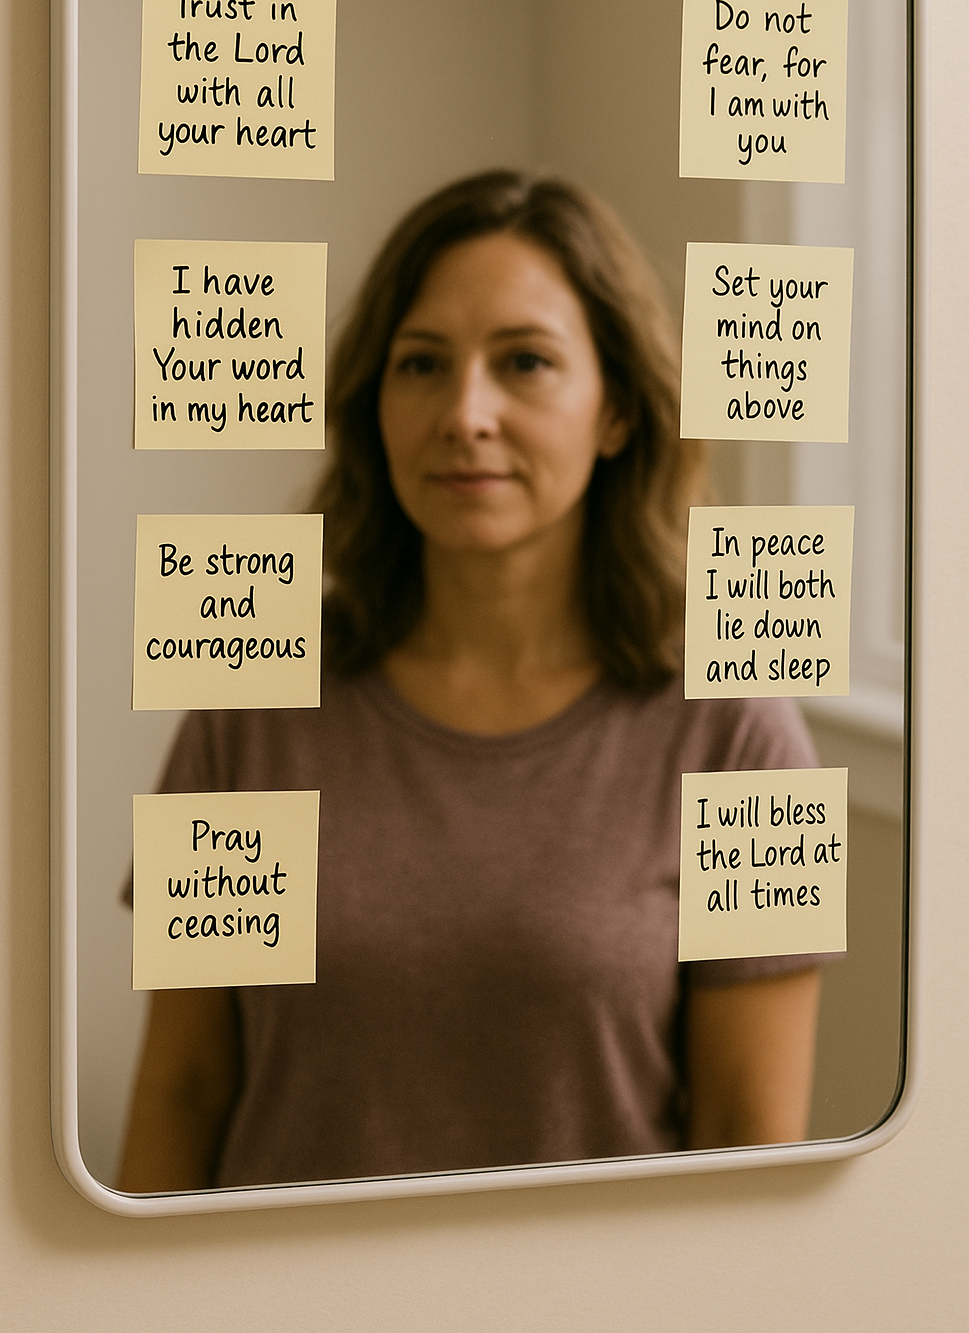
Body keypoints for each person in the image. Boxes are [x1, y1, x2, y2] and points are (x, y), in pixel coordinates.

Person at [118, 171, 823, 1193]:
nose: (465, 413)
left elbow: (749, 1146)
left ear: (617, 409)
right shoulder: (250, 705)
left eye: (525, 361)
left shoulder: (741, 732)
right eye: (420, 365)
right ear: (376, 406)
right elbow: (184, 1089)